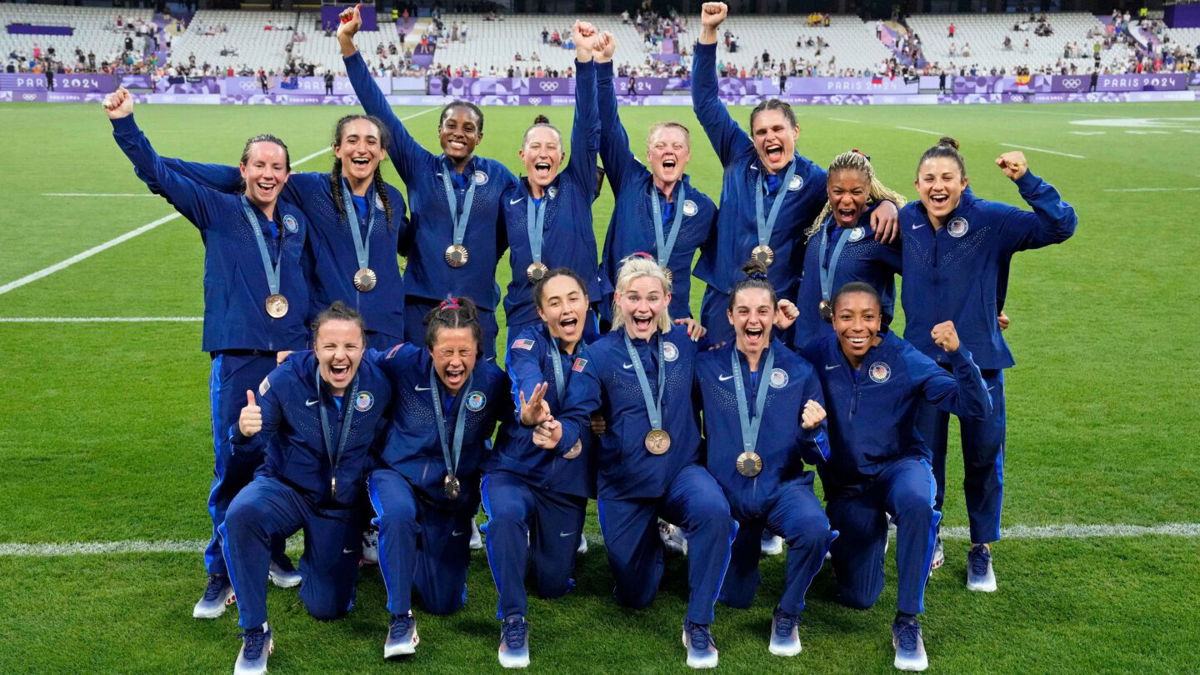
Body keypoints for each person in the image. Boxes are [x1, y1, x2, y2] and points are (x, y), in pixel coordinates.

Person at [103, 86, 309, 619]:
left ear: (288, 175)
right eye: (258, 165)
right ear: (241, 169)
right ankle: (220, 573)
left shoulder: (295, 219)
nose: (268, 174)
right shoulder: (215, 208)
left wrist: (299, 346)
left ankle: (271, 553)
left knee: (281, 460)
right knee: (235, 462)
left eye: (277, 167)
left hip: (290, 358)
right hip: (238, 357)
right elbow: (158, 174)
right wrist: (126, 123)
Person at [541, 255, 734, 669]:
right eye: (633, 298)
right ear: (618, 302)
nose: (642, 308)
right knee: (635, 595)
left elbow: (732, 367)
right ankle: (654, 545)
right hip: (625, 483)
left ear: (667, 299)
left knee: (714, 510)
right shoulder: (597, 355)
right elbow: (578, 413)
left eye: (652, 297)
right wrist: (562, 435)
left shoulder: (685, 344)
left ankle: (698, 622)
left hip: (681, 472)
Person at [900, 138, 1077, 590]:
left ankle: (981, 548)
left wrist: (1027, 181)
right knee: (925, 459)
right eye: (929, 180)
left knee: (982, 457)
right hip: (923, 366)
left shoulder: (991, 220)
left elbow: (1060, 226)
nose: (937, 188)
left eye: (946, 179)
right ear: (916, 184)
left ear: (964, 182)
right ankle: (932, 533)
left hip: (980, 365)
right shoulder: (906, 222)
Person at [799, 282, 991, 672]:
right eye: (847, 317)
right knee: (859, 596)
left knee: (919, 502)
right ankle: (867, 535)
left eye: (868, 317)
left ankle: (907, 621)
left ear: (880, 321)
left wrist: (959, 355)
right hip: (849, 487)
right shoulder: (816, 354)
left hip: (900, 467)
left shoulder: (903, 356)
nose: (858, 326)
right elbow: (777, 376)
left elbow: (975, 405)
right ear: (832, 319)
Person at [691, 2, 898, 347]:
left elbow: (852, 194)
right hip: (726, 295)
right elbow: (705, 102)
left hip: (781, 303)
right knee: (718, 382)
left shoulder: (815, 180)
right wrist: (709, 32)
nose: (769, 137)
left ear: (795, 132)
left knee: (778, 387)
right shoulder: (737, 155)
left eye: (777, 129)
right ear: (752, 138)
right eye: (760, 132)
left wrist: (885, 204)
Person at [221, 303, 393, 675]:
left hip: (339, 507)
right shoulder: (286, 379)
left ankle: (325, 561)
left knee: (327, 608)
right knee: (242, 515)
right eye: (329, 346)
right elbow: (250, 440)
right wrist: (243, 432)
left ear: (364, 348)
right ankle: (255, 631)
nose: (340, 356)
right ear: (313, 348)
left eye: (350, 346)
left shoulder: (380, 382)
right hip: (286, 488)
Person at [339, 4, 517, 360]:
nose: (458, 133)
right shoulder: (419, 165)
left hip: (476, 304)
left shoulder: (499, 176)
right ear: (439, 132)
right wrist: (348, 46)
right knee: (415, 391)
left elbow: (523, 219)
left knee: (478, 394)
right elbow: (378, 109)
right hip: (421, 303)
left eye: (468, 128)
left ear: (479, 137)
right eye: (451, 125)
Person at [159, 114, 410, 349]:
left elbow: (404, 242)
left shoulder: (393, 200)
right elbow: (241, 178)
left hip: (385, 327)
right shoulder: (310, 189)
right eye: (352, 140)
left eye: (371, 141)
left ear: (382, 152)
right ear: (337, 149)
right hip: (330, 327)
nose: (361, 148)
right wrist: (159, 165)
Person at [694, 262, 833, 658]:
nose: (753, 320)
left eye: (761, 311)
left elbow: (818, 454)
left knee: (814, 528)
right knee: (735, 597)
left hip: (780, 488)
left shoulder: (800, 369)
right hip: (727, 494)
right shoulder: (706, 365)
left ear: (775, 316)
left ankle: (788, 612)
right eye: (744, 311)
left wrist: (813, 432)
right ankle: (726, 547)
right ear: (730, 317)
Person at [367, 298, 511, 658]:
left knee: (444, 602)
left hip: (450, 496)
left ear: (479, 350)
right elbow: (355, 359)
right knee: (398, 515)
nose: (455, 361)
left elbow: (518, 424)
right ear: (429, 350)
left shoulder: (493, 382)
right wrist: (299, 359)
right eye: (446, 351)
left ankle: (414, 551)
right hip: (397, 473)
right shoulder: (403, 362)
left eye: (465, 351)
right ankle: (400, 618)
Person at [482, 269, 596, 668]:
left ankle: (534, 543)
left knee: (552, 585)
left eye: (572, 299)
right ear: (541, 312)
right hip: (514, 470)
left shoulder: (601, 349)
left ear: (586, 302)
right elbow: (524, 377)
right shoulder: (525, 342)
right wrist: (530, 413)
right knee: (508, 516)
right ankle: (513, 617)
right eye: (554, 302)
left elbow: (587, 413)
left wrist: (565, 435)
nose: (566, 309)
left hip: (565, 480)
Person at [596, 31, 717, 324]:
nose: (668, 152)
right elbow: (609, 126)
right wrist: (603, 64)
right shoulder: (629, 179)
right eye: (660, 146)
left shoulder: (702, 208)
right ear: (648, 155)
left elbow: (724, 268)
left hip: (672, 320)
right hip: (619, 316)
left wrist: (702, 321)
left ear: (687, 156)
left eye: (676, 147)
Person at [499, 21, 605, 343]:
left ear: (561, 157)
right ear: (522, 154)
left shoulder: (577, 185)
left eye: (551, 148)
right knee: (527, 392)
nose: (542, 154)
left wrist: (584, 60)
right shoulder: (508, 199)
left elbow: (587, 126)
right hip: (526, 315)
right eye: (535, 147)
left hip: (577, 313)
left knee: (583, 393)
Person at [794, 150, 905, 348]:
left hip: (854, 351)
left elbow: (924, 271)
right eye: (838, 191)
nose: (846, 200)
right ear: (827, 189)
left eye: (856, 192)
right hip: (807, 349)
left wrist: (890, 204)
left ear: (868, 189)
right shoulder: (819, 224)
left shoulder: (880, 229)